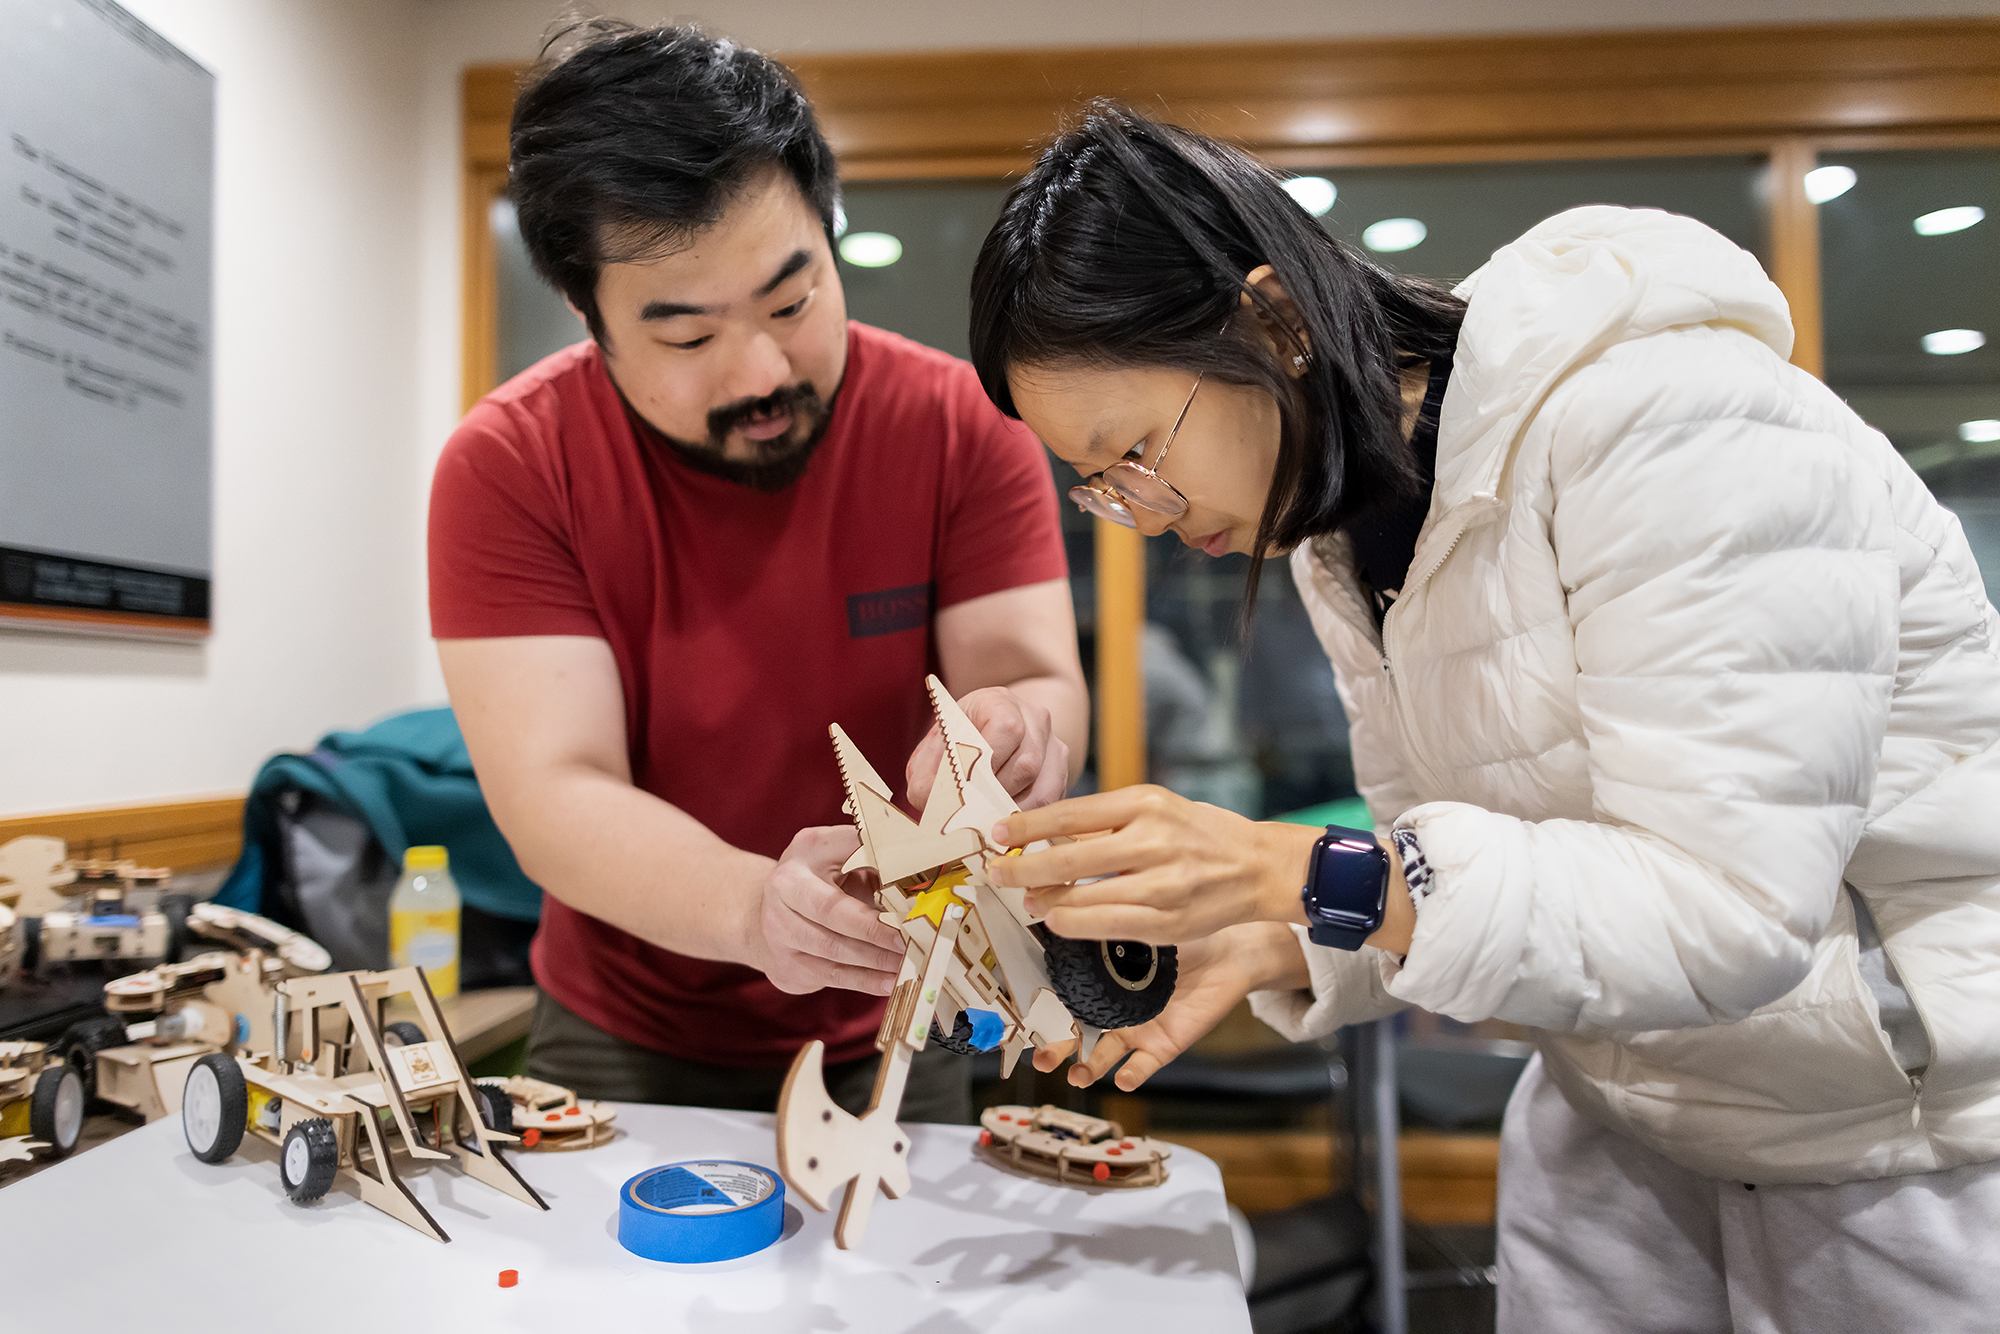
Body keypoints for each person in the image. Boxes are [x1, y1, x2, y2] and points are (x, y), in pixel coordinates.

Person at [965, 105, 2000, 1331]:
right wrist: (1281, 934)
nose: (1137, 512)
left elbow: (1728, 907)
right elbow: (1461, 857)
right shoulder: (1344, 535)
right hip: (1616, 1105)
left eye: (1136, 450)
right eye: (1097, 484)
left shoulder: (1669, 419)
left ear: (1276, 322)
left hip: (1893, 1140)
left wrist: (1280, 866)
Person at [426, 22, 1087, 1125]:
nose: (763, 371)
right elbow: (555, 790)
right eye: (688, 338)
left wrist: (1013, 733)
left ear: (829, 239)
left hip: (899, 1003)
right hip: (622, 1030)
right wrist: (753, 909)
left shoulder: (960, 427)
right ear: (589, 318)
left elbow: (1032, 678)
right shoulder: (509, 465)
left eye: (792, 300)